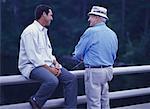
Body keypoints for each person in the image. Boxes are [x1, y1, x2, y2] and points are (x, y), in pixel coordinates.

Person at [18, 5, 77, 109]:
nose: (52, 18)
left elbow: (49, 53)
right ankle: (36, 100)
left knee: (71, 79)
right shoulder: (30, 32)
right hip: (32, 66)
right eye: (50, 15)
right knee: (52, 81)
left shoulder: (43, 31)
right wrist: (50, 70)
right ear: (44, 14)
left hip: (47, 65)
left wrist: (56, 64)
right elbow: (33, 57)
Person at [73, 6, 118, 109]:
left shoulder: (91, 32)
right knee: (105, 102)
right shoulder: (112, 34)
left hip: (94, 72)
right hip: (108, 71)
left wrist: (79, 58)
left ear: (97, 18)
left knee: (94, 104)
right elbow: (113, 55)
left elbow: (78, 53)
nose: (89, 19)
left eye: (91, 17)